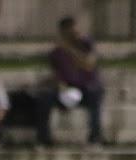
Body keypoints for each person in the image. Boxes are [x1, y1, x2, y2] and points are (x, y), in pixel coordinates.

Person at [35, 16, 104, 147]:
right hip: (67, 89)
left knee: (95, 95)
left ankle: (95, 138)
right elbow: (56, 74)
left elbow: (88, 65)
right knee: (44, 98)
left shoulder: (87, 45)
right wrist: (60, 86)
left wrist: (69, 49)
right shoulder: (56, 53)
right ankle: (43, 139)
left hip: (86, 89)